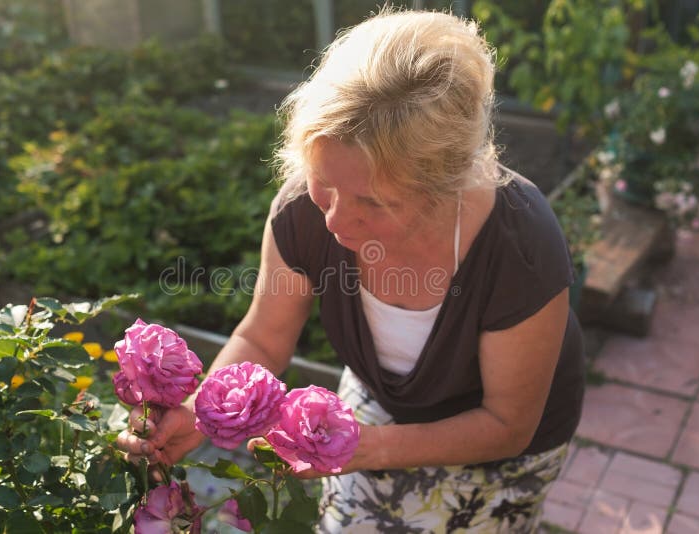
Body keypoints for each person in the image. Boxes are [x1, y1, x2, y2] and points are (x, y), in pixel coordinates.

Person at [119, 8, 585, 532]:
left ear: (444, 187)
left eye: (374, 201)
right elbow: (265, 337)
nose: (336, 218)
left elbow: (506, 425)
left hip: (494, 452)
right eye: (325, 181)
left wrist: (364, 447)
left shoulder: (519, 243)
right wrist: (199, 414)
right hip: (372, 411)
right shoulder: (303, 209)